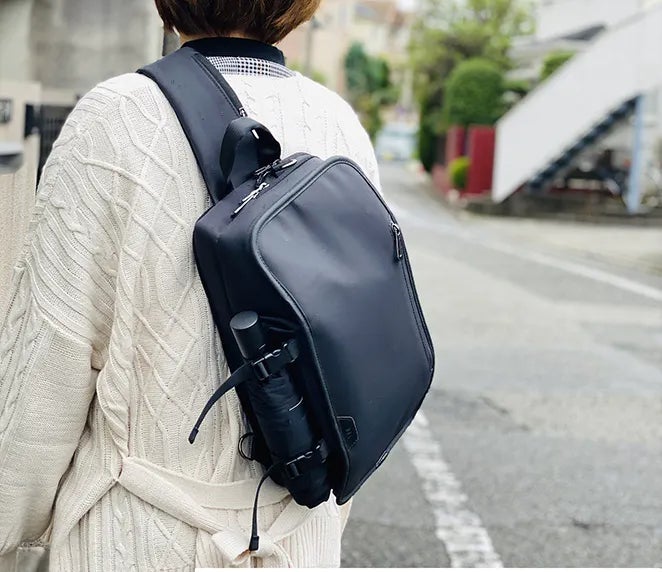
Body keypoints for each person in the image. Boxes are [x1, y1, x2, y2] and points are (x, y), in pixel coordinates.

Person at [0, 1, 381, 569]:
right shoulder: (339, 126)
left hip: (139, 538)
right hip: (298, 535)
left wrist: (14, 523)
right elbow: (356, 362)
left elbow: (48, 364)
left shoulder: (114, 118)